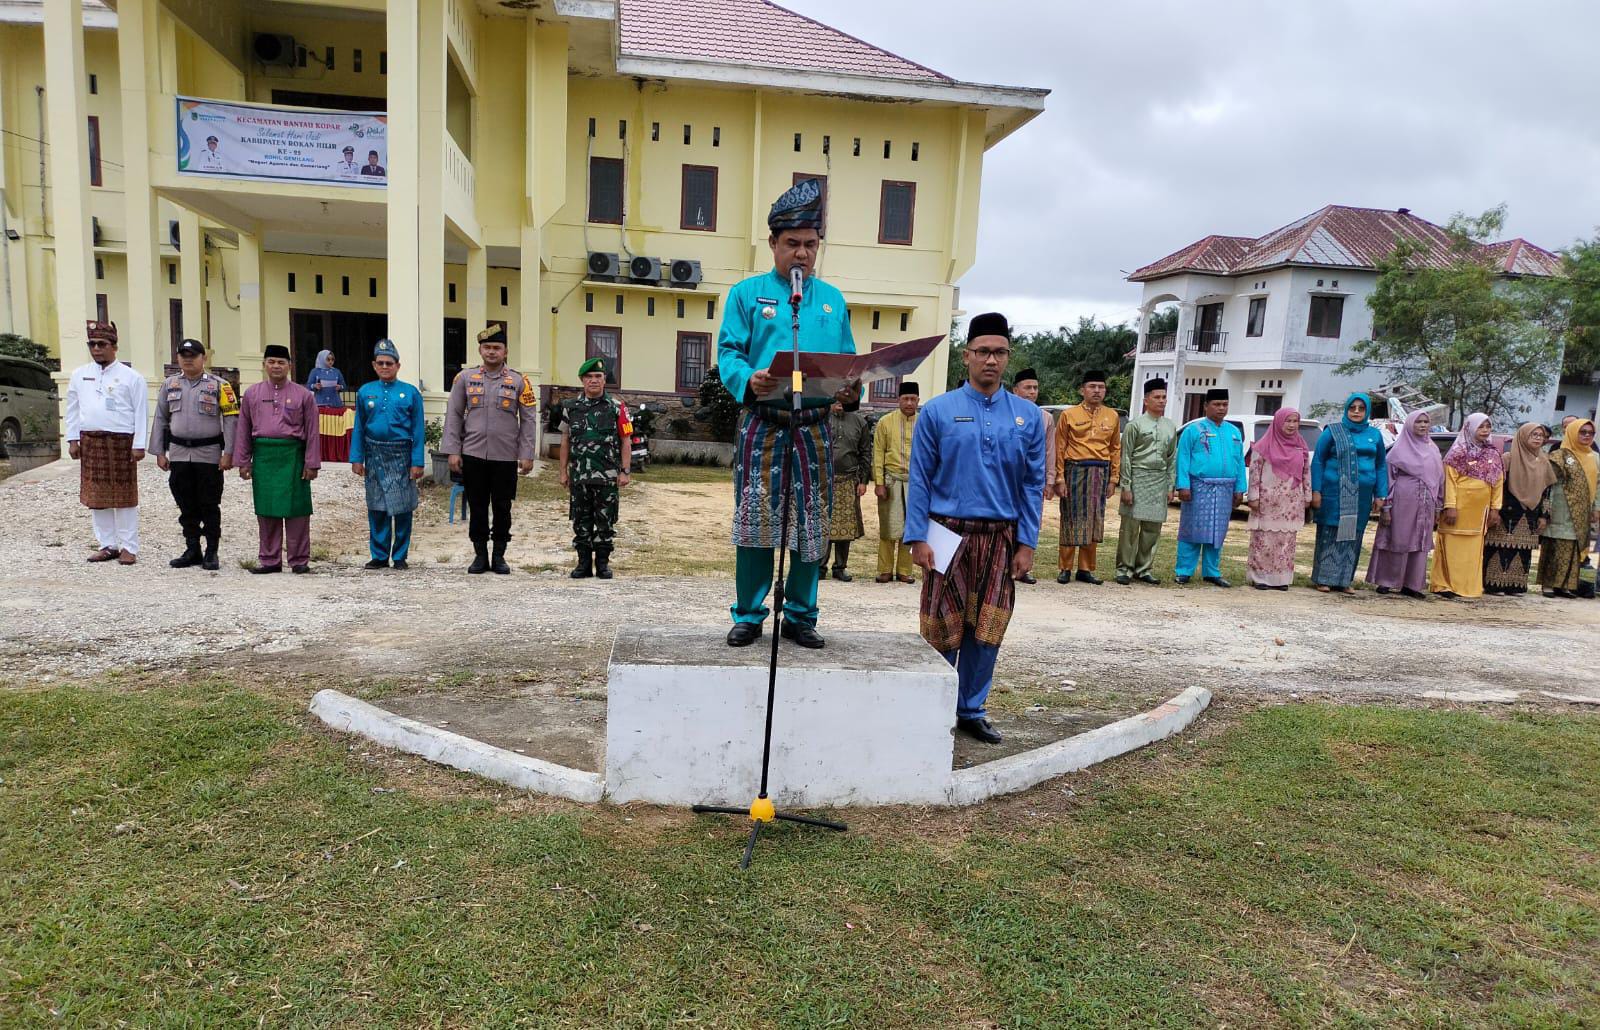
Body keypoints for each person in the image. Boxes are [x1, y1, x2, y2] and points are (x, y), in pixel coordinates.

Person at [717, 178, 856, 649]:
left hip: (814, 428)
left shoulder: (833, 301)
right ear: (773, 244)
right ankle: (750, 614)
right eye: (792, 244)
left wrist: (850, 390)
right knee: (756, 520)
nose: (801, 254)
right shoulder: (746, 294)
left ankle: (801, 614)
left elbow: (848, 362)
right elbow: (729, 353)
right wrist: (748, 378)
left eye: (810, 245)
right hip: (763, 426)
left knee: (810, 524)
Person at [905, 312, 1045, 745]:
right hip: (947, 533)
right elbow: (920, 476)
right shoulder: (939, 412)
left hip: (1001, 537)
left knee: (988, 626)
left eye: (999, 352)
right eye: (982, 351)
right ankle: (934, 705)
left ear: (1008, 358)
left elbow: (1032, 483)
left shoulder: (1028, 417)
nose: (991, 360)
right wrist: (916, 536)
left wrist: (1026, 543)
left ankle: (971, 709)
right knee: (942, 625)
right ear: (965, 356)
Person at [441, 324, 538, 575]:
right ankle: (480, 556)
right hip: (473, 454)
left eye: (497, 348)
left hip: (505, 457)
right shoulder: (464, 378)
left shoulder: (519, 381)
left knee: (503, 506)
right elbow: (453, 415)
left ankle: (499, 556)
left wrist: (527, 454)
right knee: (478, 505)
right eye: (487, 347)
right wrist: (453, 450)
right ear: (480, 350)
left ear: (505, 352)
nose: (492, 352)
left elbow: (528, 419)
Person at [149, 338, 238, 570]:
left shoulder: (220, 385)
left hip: (208, 454)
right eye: (183, 355)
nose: (188, 359)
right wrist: (159, 451)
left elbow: (230, 420)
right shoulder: (170, 385)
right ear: (178, 358)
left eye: (193, 356)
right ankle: (192, 548)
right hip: (179, 454)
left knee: (209, 504)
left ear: (204, 358)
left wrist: (229, 452)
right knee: (186, 504)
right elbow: (160, 418)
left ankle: (211, 551)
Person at [65, 320, 148, 565]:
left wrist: (139, 444)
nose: (97, 349)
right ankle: (107, 545)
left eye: (102, 344)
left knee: (124, 496)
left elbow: (140, 412)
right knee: (97, 496)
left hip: (122, 441)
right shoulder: (80, 375)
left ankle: (129, 547)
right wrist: (72, 439)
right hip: (91, 440)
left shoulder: (131, 377)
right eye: (92, 344)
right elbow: (72, 409)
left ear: (114, 346)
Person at [234, 344, 320, 574]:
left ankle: (299, 560)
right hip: (264, 457)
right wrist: (243, 461)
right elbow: (243, 429)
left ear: (289, 366)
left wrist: (312, 463)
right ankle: (270, 560)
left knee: (298, 510)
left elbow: (312, 431)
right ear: (264, 365)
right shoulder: (252, 394)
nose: (276, 366)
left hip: (293, 456)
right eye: (271, 361)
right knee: (267, 509)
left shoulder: (304, 395)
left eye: (281, 362)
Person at [350, 339, 426, 570]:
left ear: (398, 366)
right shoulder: (365, 392)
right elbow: (359, 427)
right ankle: (379, 555)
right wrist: (356, 458)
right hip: (375, 455)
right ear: (374, 365)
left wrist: (417, 461)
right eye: (381, 363)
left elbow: (418, 430)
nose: (385, 367)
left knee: (402, 508)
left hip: (401, 455)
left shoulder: (410, 393)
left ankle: (400, 556)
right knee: (377, 507)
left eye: (389, 363)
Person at [558, 356, 632, 579]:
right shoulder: (570, 408)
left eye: (598, 376)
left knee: (605, 522)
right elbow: (565, 440)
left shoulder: (617, 408)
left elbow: (626, 440)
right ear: (582, 380)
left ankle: (602, 564)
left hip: (607, 476)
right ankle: (582, 564)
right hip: (580, 476)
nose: (593, 381)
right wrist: (563, 471)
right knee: (581, 521)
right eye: (589, 377)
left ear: (604, 380)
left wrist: (625, 471)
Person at [1309, 392, 1389, 593]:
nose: (1356, 411)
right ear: (1346, 409)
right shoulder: (1333, 431)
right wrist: (1316, 490)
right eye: (1352, 408)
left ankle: (1344, 581)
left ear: (1367, 411)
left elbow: (1380, 465)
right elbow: (1318, 460)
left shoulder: (1375, 435)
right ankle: (1323, 579)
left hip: (1362, 496)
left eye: (1361, 408)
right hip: (1334, 492)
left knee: (1353, 535)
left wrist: (1381, 494)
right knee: (1331, 531)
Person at [1366, 410, 1444, 599]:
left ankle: (1412, 584)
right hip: (1402, 500)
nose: (1423, 425)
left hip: (1425, 502)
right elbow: (1388, 479)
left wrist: (1438, 505)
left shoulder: (1433, 449)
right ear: (1410, 424)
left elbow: (1440, 478)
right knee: (1397, 537)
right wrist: (1386, 506)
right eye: (1418, 422)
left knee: (1419, 541)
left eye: (1426, 422)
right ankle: (1386, 581)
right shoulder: (1398, 449)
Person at [1054, 370, 1120, 584]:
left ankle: (1086, 569)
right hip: (1075, 470)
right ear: (1082, 390)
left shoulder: (1112, 415)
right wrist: (1060, 478)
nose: (1097, 391)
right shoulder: (1069, 415)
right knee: (1071, 518)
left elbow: (1115, 448)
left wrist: (1113, 479)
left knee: (1094, 520)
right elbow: (1060, 447)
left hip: (1100, 472)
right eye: (1092, 386)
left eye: (1101, 387)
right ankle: (1065, 568)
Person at [1174, 388, 1246, 586]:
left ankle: (1212, 571)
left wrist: (1240, 487)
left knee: (1217, 531)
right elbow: (1183, 458)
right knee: (1192, 530)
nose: (1221, 408)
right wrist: (1183, 485)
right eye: (1217, 404)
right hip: (1199, 487)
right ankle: (1184, 570)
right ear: (1206, 406)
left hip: (1225, 489)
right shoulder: (1193, 430)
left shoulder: (1234, 432)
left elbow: (1239, 460)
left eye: (1224, 404)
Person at [1430, 413, 1503, 599]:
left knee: (1472, 551)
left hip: (1479, 513)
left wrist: (1495, 508)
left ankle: (1468, 586)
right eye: (1481, 427)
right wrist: (1450, 506)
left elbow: (1497, 482)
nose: (1485, 431)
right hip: (1457, 509)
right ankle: (1444, 585)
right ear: (1470, 428)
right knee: (1451, 547)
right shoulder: (1457, 453)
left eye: (1488, 426)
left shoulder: (1493, 453)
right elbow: (1450, 482)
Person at [1115, 378, 1178, 585]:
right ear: (1146, 400)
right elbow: (1125, 457)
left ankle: (1144, 569)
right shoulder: (1135, 425)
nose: (1161, 401)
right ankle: (1124, 569)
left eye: (1164, 397)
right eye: (1157, 397)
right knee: (1130, 529)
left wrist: (1170, 486)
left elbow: (1172, 459)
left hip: (1159, 481)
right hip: (1137, 478)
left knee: (1153, 528)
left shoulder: (1170, 426)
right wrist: (1126, 486)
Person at [1482, 422, 1555, 595]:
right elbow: (1497, 486)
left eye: (1540, 435)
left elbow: (1547, 492)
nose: (1537, 438)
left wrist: (1544, 515)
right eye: (1533, 434)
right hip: (1506, 512)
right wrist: (1495, 510)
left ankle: (1515, 586)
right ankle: (1494, 585)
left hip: (1531, 513)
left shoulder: (1544, 461)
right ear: (1523, 436)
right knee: (1500, 548)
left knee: (1522, 551)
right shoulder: (1508, 458)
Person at [1244, 407, 1311, 589]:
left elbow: (1306, 472)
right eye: (1287, 421)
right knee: (1264, 541)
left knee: (1286, 542)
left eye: (1295, 421)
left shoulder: (1301, 446)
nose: (1291, 425)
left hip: (1291, 503)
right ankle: (1260, 578)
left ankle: (1281, 580)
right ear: (1278, 422)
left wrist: (1307, 496)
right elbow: (1255, 473)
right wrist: (1253, 497)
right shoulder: (1263, 446)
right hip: (1268, 502)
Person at [1538, 419, 1599, 598]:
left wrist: (1597, 508)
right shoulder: (1560, 455)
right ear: (1572, 432)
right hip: (1560, 507)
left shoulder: (1595, 457)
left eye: (1590, 433)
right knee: (1555, 544)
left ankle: (1565, 585)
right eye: (1583, 432)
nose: (1587, 436)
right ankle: (1548, 585)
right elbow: (1546, 483)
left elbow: (1599, 485)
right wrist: (1545, 510)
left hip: (1583, 510)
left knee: (1574, 547)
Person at [1009, 368, 1054, 583]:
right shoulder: (1007, 412)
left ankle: (1025, 567)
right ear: (1015, 390)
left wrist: (1050, 480)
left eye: (1035, 388)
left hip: (1033, 481)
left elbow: (1049, 451)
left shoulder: (1045, 417)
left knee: (1030, 520)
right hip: (1009, 480)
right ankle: (1006, 563)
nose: (1032, 392)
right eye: (1027, 387)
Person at [873, 382, 920, 583]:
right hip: (891, 481)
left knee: (909, 527)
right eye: (905, 399)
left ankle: (904, 570)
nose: (909, 402)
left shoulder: (924, 422)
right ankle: (884, 569)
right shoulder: (885, 422)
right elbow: (878, 453)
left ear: (918, 400)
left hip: (916, 483)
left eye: (913, 399)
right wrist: (879, 482)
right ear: (898, 400)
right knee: (888, 526)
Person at [826, 383, 872, 581]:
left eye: (843, 399)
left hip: (848, 480)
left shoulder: (860, 422)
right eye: (836, 398)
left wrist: (863, 481)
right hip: (823, 480)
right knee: (823, 524)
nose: (839, 403)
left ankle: (840, 567)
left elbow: (865, 453)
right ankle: (819, 568)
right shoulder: (820, 418)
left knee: (845, 526)